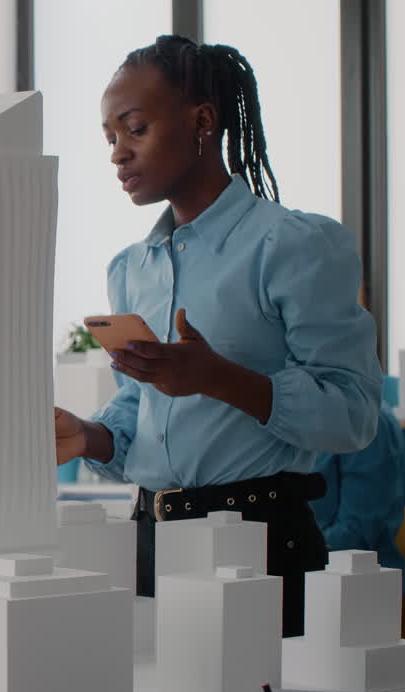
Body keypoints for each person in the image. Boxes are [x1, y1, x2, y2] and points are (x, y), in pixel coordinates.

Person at [53, 35, 381, 638]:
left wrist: (217, 378)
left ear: (202, 121)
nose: (118, 155)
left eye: (135, 129)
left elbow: (355, 415)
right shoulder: (129, 268)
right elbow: (140, 412)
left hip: (264, 551)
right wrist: (91, 438)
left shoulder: (295, 245)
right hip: (150, 546)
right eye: (110, 138)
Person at [312, 403, 405, 592]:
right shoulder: (310, 414)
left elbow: (357, 532)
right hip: (317, 573)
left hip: (356, 587)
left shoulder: (367, 421)